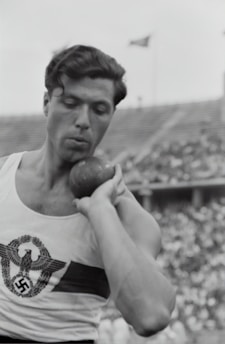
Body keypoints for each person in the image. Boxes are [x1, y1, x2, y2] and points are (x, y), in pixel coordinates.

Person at [0, 45, 176, 343]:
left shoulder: (124, 214)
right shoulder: (2, 175)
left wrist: (101, 212)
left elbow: (150, 316)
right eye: (70, 102)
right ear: (46, 103)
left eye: (98, 109)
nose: (83, 120)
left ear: (110, 116)